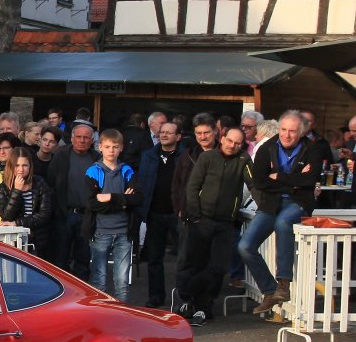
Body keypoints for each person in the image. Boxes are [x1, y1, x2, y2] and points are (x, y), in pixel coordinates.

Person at [241, 110, 327, 315]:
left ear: (302, 132)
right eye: (283, 130)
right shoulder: (267, 147)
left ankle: (283, 283)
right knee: (245, 246)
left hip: (298, 202)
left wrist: (278, 176)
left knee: (283, 222)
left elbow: (310, 180)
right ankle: (270, 290)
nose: (287, 135)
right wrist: (293, 183)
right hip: (270, 202)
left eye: (292, 131)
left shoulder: (313, 149)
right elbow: (260, 182)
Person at [175, 127, 249, 326]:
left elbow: (254, 183)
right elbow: (193, 186)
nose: (232, 146)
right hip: (202, 220)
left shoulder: (243, 160)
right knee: (196, 263)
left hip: (225, 223)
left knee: (218, 267)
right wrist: (195, 216)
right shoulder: (207, 158)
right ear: (222, 138)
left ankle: (195, 298)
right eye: (230, 141)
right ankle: (195, 305)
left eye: (237, 143)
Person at [83, 128, 140, 300]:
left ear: (121, 148)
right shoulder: (93, 171)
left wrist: (110, 197)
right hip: (100, 231)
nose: (111, 150)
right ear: (100, 147)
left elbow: (137, 198)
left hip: (124, 232)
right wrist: (122, 202)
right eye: (107, 147)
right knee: (99, 280)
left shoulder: (127, 171)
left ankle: (121, 313)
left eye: (115, 147)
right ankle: (99, 312)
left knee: (122, 281)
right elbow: (92, 203)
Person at [135, 119, 182, 308]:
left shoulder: (185, 156)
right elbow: (143, 182)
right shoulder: (149, 155)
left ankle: (183, 298)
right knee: (154, 259)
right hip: (154, 213)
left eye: (169, 132)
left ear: (178, 137)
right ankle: (155, 297)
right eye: (162, 132)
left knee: (183, 259)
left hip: (178, 214)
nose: (164, 135)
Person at [47, 120, 99, 275]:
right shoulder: (61, 155)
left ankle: (81, 288)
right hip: (65, 214)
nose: (82, 140)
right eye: (78, 136)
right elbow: (51, 183)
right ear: (72, 138)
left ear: (92, 140)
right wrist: (57, 210)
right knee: (60, 259)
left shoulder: (97, 159)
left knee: (83, 259)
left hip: (87, 216)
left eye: (86, 137)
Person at [0, 148, 55, 262]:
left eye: (25, 165)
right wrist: (16, 191)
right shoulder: (2, 189)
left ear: (30, 166)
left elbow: (45, 214)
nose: (21, 169)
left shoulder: (39, 183)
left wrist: (17, 223)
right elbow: (6, 216)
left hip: (38, 241)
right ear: (11, 166)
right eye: (17, 165)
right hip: (14, 242)